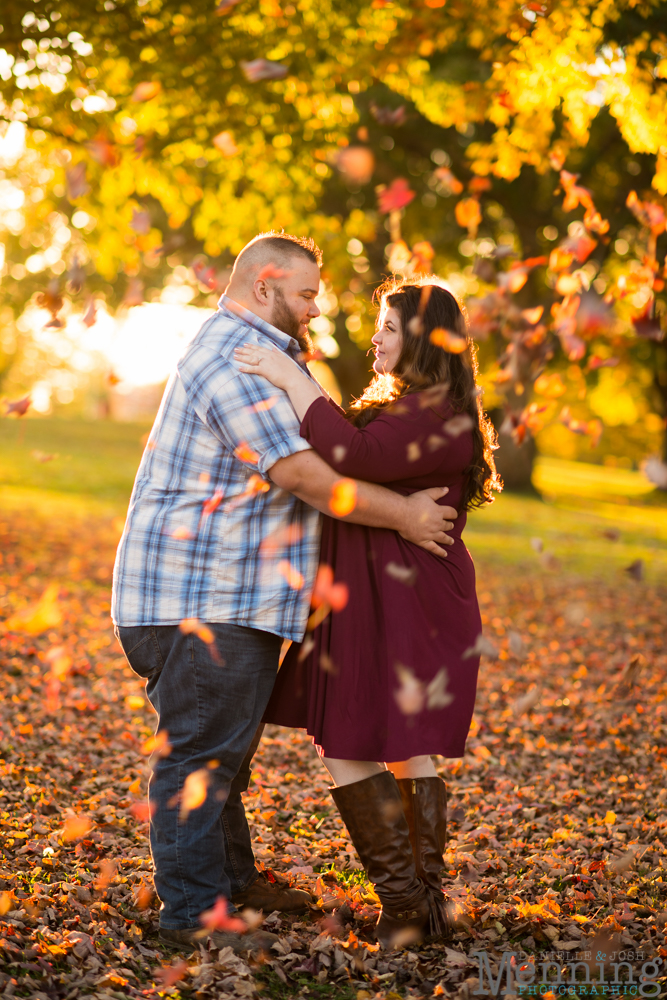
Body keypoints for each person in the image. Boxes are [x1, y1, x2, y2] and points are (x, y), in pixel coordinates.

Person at [111, 234, 459, 951]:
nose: (317, 305)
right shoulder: (233, 362)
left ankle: (234, 885)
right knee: (200, 761)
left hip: (223, 598)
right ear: (265, 287)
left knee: (221, 757)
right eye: (306, 293)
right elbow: (305, 475)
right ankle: (190, 918)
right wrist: (407, 515)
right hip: (196, 601)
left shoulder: (262, 355)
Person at [234, 277, 501, 947]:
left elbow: (352, 455)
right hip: (377, 593)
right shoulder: (407, 403)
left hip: (406, 600)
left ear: (423, 337)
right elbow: (343, 452)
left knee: (355, 736)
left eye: (387, 325)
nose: (374, 336)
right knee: (384, 740)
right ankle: (423, 902)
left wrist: (292, 376)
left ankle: (410, 903)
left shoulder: (440, 411)